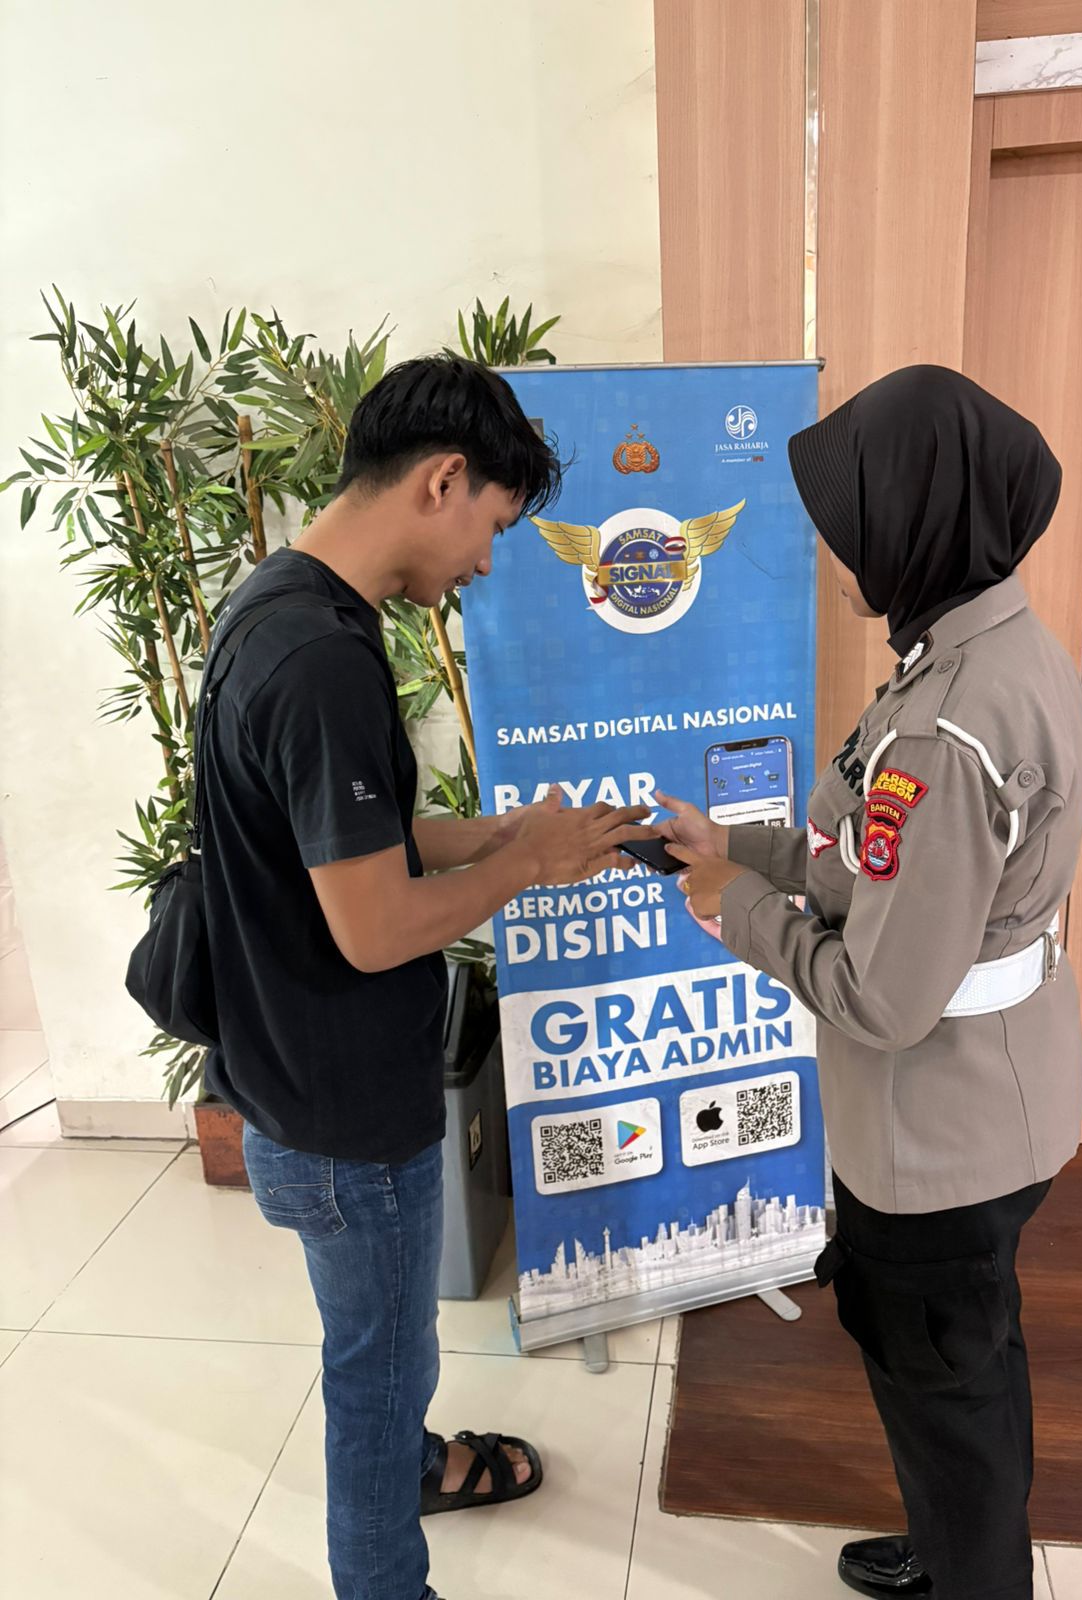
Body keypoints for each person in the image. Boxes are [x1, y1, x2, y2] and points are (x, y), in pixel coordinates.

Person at [198, 355, 650, 1600]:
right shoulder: (323, 662)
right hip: (346, 1112)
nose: (488, 562)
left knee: (379, 1347)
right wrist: (524, 869)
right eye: (494, 525)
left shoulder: (278, 603)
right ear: (443, 480)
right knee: (378, 1369)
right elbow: (374, 926)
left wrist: (509, 836)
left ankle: (416, 1462)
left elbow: (356, 842)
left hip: (291, 1078)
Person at [661, 366, 1082, 1600]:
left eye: (851, 521)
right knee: (964, 1362)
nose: (833, 546)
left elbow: (883, 997)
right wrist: (742, 849)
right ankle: (957, 1545)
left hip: (935, 1131)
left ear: (916, 525)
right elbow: (879, 862)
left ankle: (974, 1571)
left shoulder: (944, 729)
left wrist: (736, 908)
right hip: (998, 1101)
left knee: (942, 1375)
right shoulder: (994, 648)